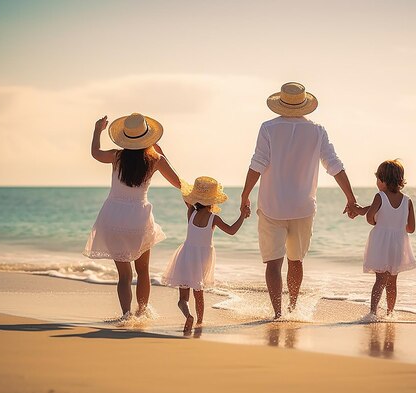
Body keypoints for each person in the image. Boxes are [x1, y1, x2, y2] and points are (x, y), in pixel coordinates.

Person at [240, 82, 366, 319]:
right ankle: (293, 308)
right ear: (305, 105)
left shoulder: (268, 128)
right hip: (303, 207)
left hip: (271, 205)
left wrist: (245, 195)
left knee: (273, 264)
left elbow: (258, 164)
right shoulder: (317, 131)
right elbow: (334, 165)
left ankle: (278, 313)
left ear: (280, 104)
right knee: (296, 261)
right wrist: (351, 198)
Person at [84, 113, 182, 320]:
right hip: (138, 218)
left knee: (124, 276)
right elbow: (178, 182)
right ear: (148, 137)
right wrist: (162, 154)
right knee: (143, 271)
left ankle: (126, 315)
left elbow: (95, 153)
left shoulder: (116, 156)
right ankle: (142, 311)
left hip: (112, 217)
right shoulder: (155, 159)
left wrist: (96, 130)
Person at [162, 176, 250, 332]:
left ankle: (188, 315)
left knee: (182, 299)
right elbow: (231, 230)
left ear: (196, 198)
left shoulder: (191, 212)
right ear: (213, 200)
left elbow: (185, 196)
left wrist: (191, 194)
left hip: (185, 256)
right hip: (201, 259)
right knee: (199, 293)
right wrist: (242, 215)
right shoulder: (213, 218)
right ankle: (200, 322)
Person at [363, 159, 416, 320]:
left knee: (380, 279)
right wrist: (398, 226)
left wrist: (375, 222)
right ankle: (390, 313)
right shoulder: (408, 201)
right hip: (398, 244)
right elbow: (411, 228)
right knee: (392, 281)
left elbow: (369, 216)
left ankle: (373, 313)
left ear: (382, 180)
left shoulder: (379, 196)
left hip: (381, 242)